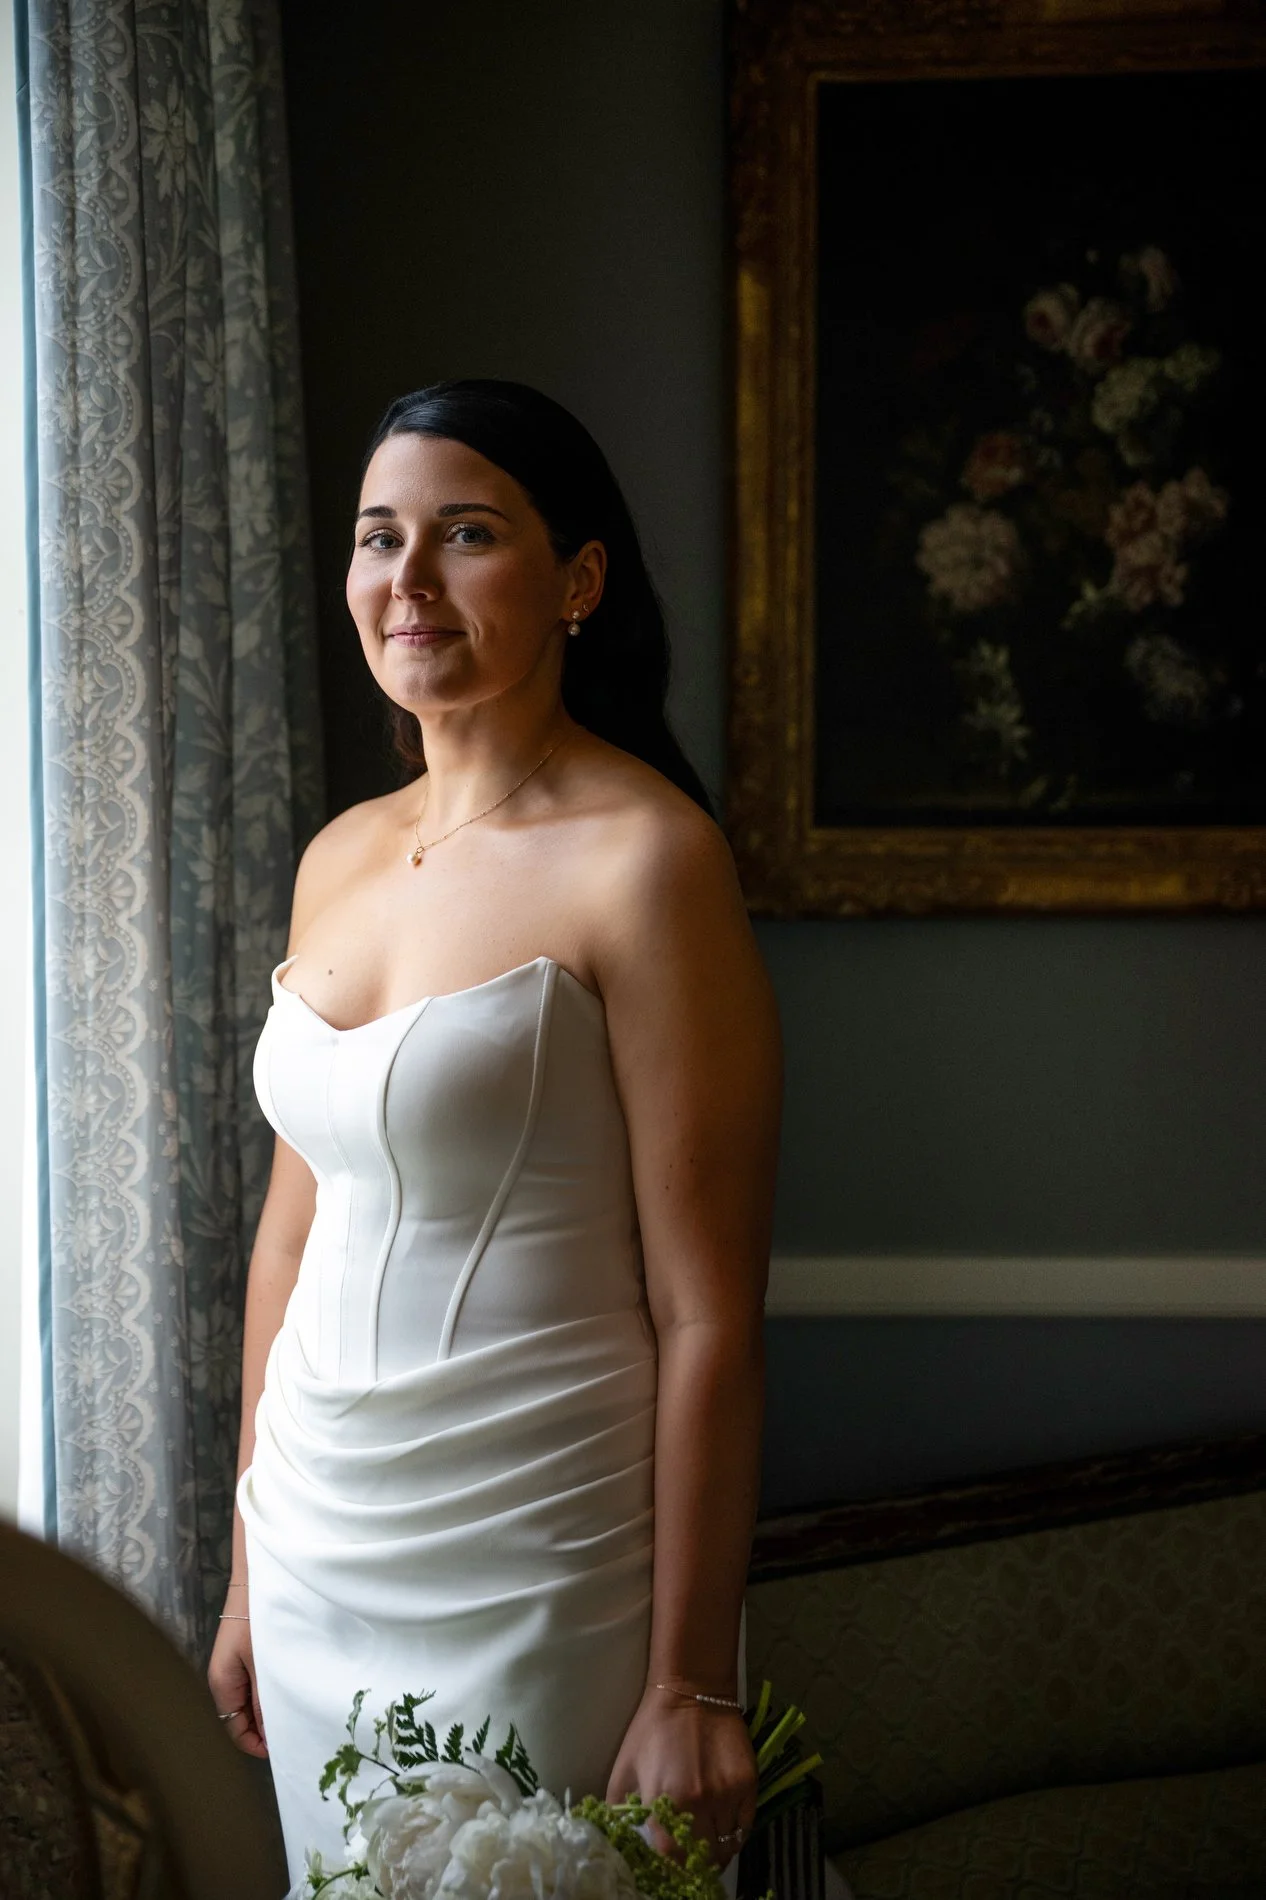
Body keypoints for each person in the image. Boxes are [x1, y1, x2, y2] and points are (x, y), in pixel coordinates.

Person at [206, 378, 783, 1893]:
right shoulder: (338, 856)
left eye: (464, 534)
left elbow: (709, 1309)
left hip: (541, 1551)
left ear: (578, 579)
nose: (406, 580)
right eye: (375, 538)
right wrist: (248, 1568)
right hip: (316, 1540)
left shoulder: (647, 862)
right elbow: (289, 1239)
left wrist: (690, 1681)